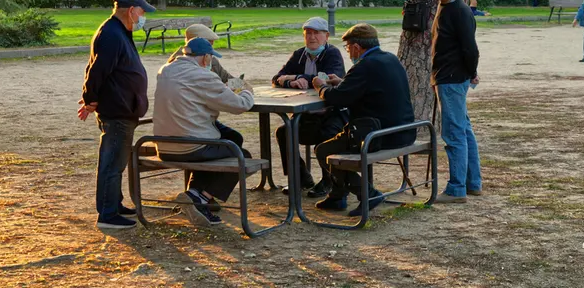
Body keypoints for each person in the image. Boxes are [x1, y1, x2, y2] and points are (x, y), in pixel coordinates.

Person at [311, 23, 416, 216]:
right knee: (333, 146)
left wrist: (320, 86)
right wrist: (343, 83)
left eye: (348, 47)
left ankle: (367, 193)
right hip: (404, 130)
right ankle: (337, 196)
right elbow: (371, 88)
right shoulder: (390, 59)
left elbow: (336, 98)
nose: (348, 52)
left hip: (378, 135)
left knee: (323, 150)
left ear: (357, 47)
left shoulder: (364, 66)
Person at [152, 38, 255, 227]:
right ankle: (200, 197)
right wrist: (247, 91)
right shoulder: (203, 75)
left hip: (163, 144)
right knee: (242, 156)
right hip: (190, 145)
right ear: (206, 57)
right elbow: (240, 105)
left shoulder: (165, 70)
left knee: (231, 139)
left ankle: (194, 194)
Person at [78, 0, 156, 229]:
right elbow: (96, 70)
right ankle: (108, 214)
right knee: (112, 163)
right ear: (131, 11)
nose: (143, 17)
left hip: (123, 107)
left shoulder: (119, 31)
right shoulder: (112, 33)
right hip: (117, 109)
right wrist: (90, 98)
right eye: (142, 12)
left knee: (117, 162)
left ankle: (114, 203)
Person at [271, 17, 346, 198]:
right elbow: (277, 78)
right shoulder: (299, 54)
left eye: (316, 33)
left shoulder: (332, 53)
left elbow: (328, 78)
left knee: (327, 135)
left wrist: (297, 77)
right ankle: (301, 177)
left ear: (326, 36)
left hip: (332, 113)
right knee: (284, 132)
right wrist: (291, 82)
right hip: (307, 114)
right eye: (308, 33)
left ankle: (329, 181)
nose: (312, 37)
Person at [430, 0, 482, 204]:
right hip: (449, 77)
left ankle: (456, 188)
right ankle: (472, 183)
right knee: (464, 130)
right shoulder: (446, 6)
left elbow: (470, 49)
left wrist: (471, 72)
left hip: (451, 80)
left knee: (454, 134)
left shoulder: (460, 11)